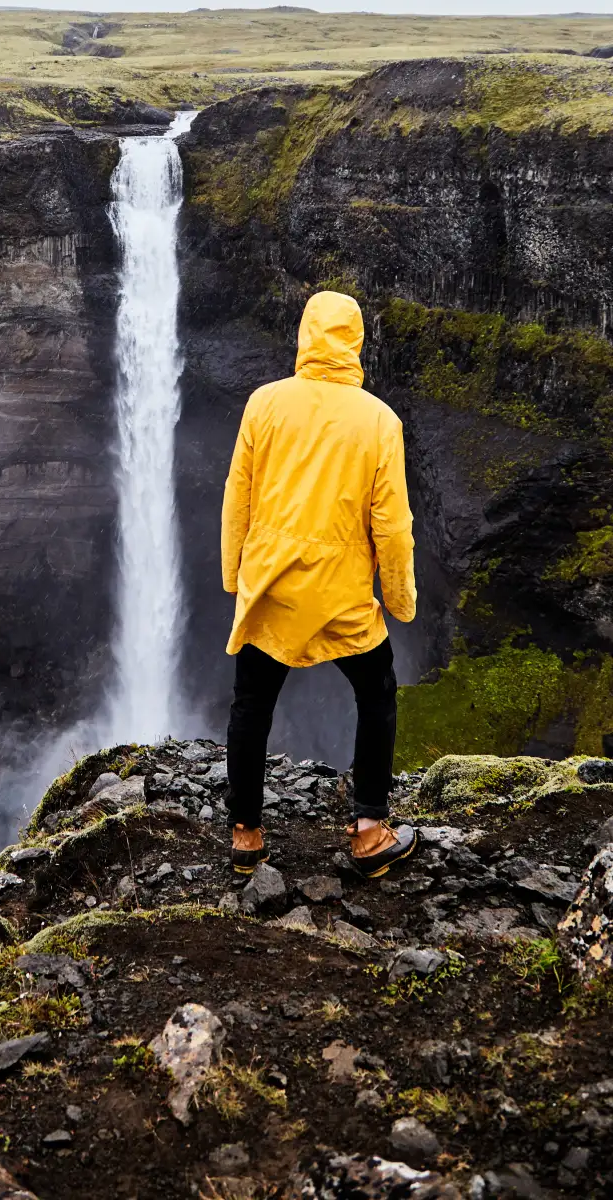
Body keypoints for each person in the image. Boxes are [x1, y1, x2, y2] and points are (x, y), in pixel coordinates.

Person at [221, 289, 417, 881]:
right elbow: (394, 525)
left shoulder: (265, 403)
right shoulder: (379, 420)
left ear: (305, 335)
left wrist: (235, 576)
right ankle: (368, 831)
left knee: (251, 704)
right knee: (377, 692)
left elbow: (238, 495)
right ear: (355, 343)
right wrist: (400, 601)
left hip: (272, 588)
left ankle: (246, 833)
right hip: (342, 595)